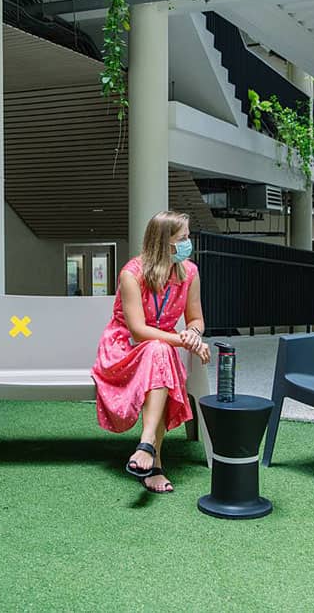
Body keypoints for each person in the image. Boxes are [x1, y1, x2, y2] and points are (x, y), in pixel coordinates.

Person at [92, 211, 211, 494]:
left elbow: (196, 320)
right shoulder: (131, 274)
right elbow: (138, 331)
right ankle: (154, 461)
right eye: (182, 239)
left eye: (187, 237)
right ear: (163, 243)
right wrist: (180, 341)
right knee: (160, 349)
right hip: (124, 350)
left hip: (162, 349)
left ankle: (147, 448)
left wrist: (192, 335)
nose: (188, 243)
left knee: (161, 352)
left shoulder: (189, 273)